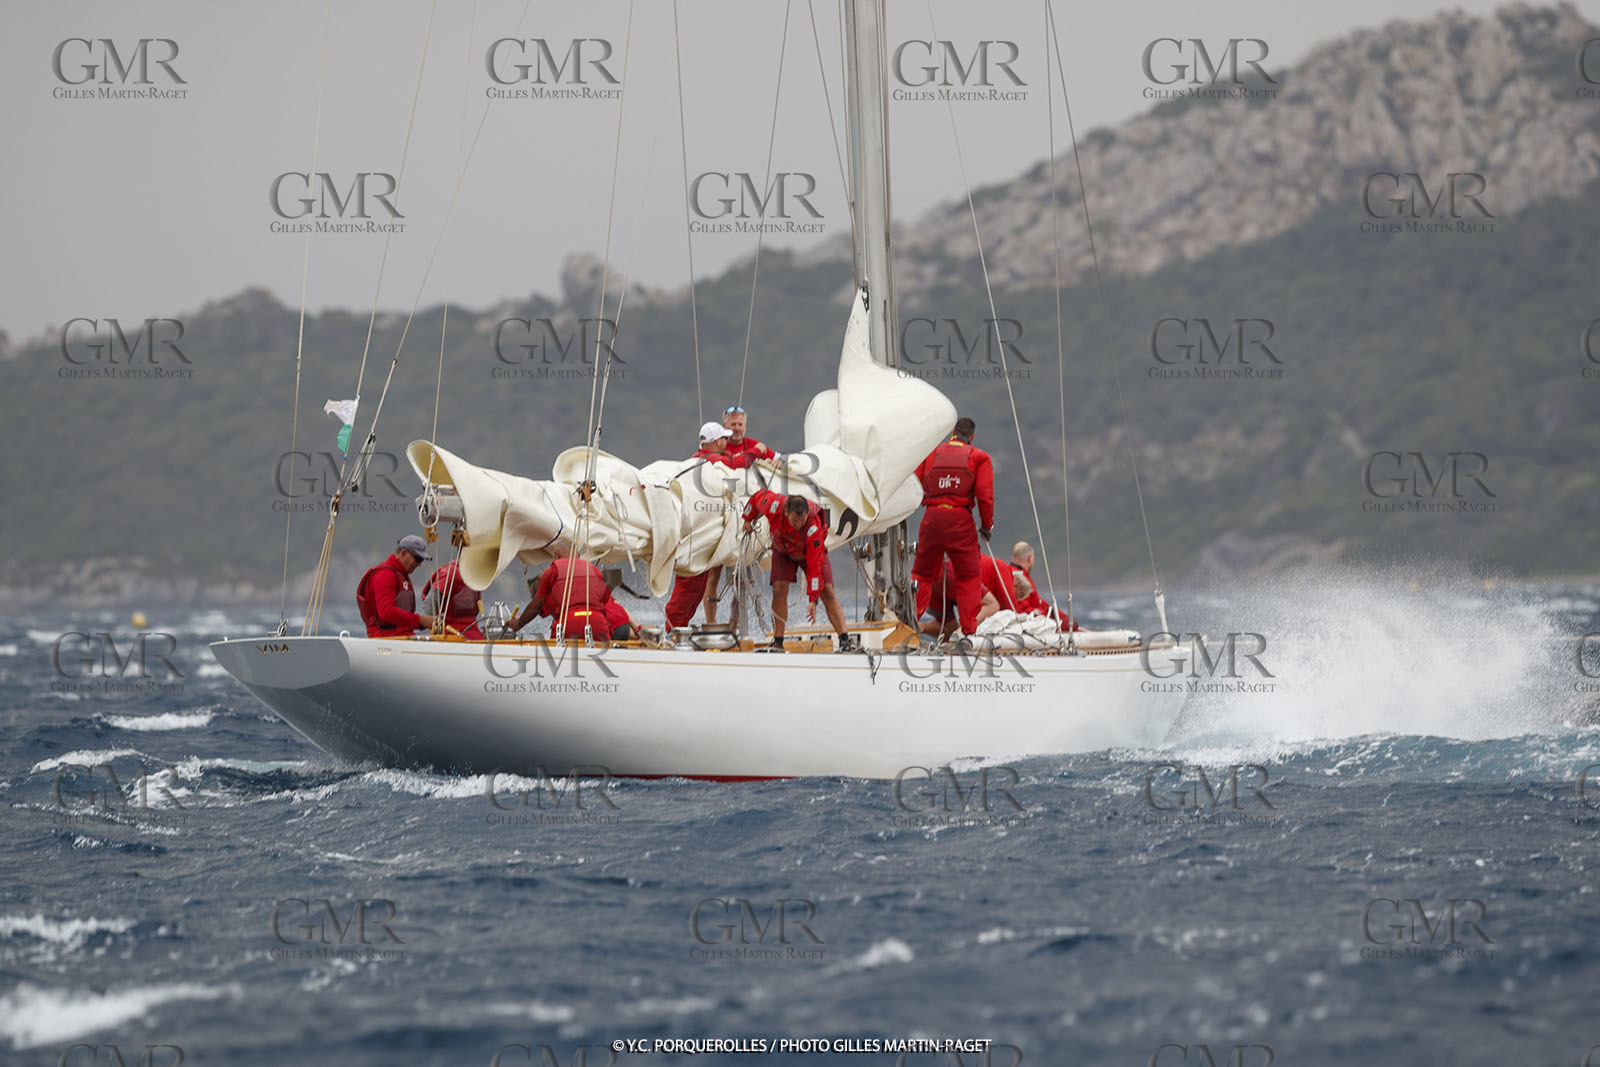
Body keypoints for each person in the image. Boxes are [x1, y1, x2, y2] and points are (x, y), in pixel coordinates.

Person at [743, 490, 858, 652]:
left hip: (809, 553)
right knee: (779, 588)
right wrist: (747, 518)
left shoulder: (812, 528)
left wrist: (812, 599)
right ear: (786, 512)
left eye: (802, 521)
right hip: (783, 551)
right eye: (794, 521)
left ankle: (845, 640)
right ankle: (778, 642)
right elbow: (756, 499)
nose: (798, 525)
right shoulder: (774, 505)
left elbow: (814, 566)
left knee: (826, 590)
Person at [911, 416, 994, 640]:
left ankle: (909, 627)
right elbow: (985, 496)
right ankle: (967, 633)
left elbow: (915, 485)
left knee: (922, 574)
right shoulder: (979, 457)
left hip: (932, 518)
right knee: (968, 578)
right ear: (972, 436)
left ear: (952, 432)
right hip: (960, 522)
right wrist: (986, 527)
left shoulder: (931, 453)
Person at [666, 422, 750, 629]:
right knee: (688, 590)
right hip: (696, 539)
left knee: (694, 592)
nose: (726, 442)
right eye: (723, 438)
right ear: (714, 442)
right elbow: (739, 462)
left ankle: (679, 629)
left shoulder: (693, 461)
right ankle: (672, 631)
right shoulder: (711, 460)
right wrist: (760, 452)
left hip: (697, 537)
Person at [705, 405, 779, 623]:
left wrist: (776, 460)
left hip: (748, 514)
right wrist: (757, 452)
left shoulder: (753, 443)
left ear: (745, 426)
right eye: (732, 425)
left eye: (740, 425)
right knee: (713, 574)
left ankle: (733, 625)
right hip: (721, 514)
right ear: (724, 427)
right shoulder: (719, 445)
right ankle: (711, 623)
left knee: (742, 576)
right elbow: (735, 462)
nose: (736, 429)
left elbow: (777, 458)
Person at [506, 556, 619, 641]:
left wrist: (518, 623)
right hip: (600, 625)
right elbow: (607, 595)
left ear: (556, 555)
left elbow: (536, 607)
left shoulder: (551, 573)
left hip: (568, 626)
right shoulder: (593, 570)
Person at [356, 534, 437, 638]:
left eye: (421, 560)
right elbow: (386, 612)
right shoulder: (385, 574)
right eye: (417, 559)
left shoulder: (401, 575)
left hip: (403, 637)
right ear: (403, 553)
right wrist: (421, 620)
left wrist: (423, 622)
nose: (419, 564)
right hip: (385, 639)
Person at [919, 560, 1000, 638]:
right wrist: (921, 627)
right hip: (949, 573)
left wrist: (960, 631)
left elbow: (993, 605)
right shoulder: (933, 586)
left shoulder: (948, 574)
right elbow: (949, 629)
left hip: (933, 575)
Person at [422, 558, 484, 639]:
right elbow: (430, 603)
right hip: (451, 634)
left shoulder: (478, 576)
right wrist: (433, 632)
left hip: (472, 632)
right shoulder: (451, 573)